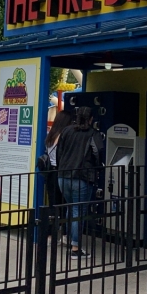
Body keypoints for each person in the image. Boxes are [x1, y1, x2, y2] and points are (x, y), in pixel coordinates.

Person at [55, 106, 104, 258]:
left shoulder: (67, 131)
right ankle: (75, 248)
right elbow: (98, 153)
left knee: (71, 208)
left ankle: (70, 239)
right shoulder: (92, 134)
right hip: (82, 176)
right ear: (90, 119)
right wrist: (97, 168)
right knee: (78, 211)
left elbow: (59, 152)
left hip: (63, 176)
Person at [43, 109, 75, 244]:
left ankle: (51, 235)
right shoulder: (64, 136)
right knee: (68, 205)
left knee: (53, 205)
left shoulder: (50, 136)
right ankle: (67, 235)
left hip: (51, 174)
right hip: (63, 173)